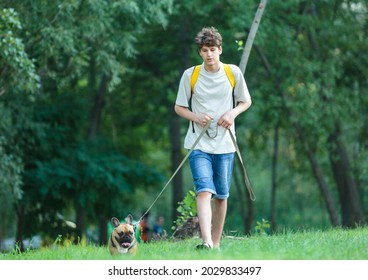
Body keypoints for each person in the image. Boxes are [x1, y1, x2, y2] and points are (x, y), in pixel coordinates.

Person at [174, 27, 252, 249]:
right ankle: (206, 242)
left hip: (225, 143)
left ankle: (215, 244)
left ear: (220, 49)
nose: (209, 54)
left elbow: (245, 101)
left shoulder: (233, 73)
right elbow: (179, 107)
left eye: (212, 49)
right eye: (204, 50)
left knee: (221, 195)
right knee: (204, 190)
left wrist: (231, 113)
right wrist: (197, 117)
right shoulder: (191, 75)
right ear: (200, 52)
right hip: (198, 143)